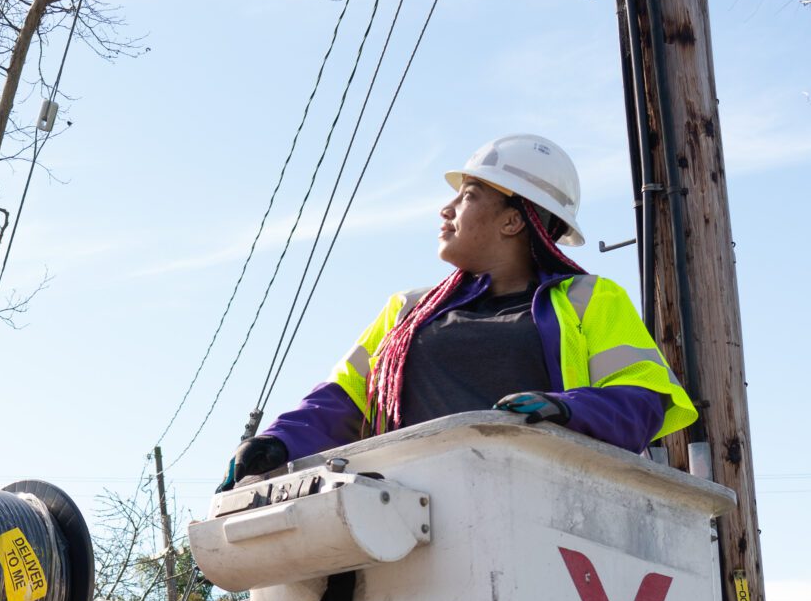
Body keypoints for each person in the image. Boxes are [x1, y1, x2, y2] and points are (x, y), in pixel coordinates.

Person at [221, 133, 695, 488]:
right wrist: (279, 441)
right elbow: (344, 399)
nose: (446, 210)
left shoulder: (588, 298)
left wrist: (565, 409)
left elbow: (641, 402)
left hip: (541, 507)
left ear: (515, 219)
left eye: (468, 196)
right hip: (407, 513)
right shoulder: (407, 311)